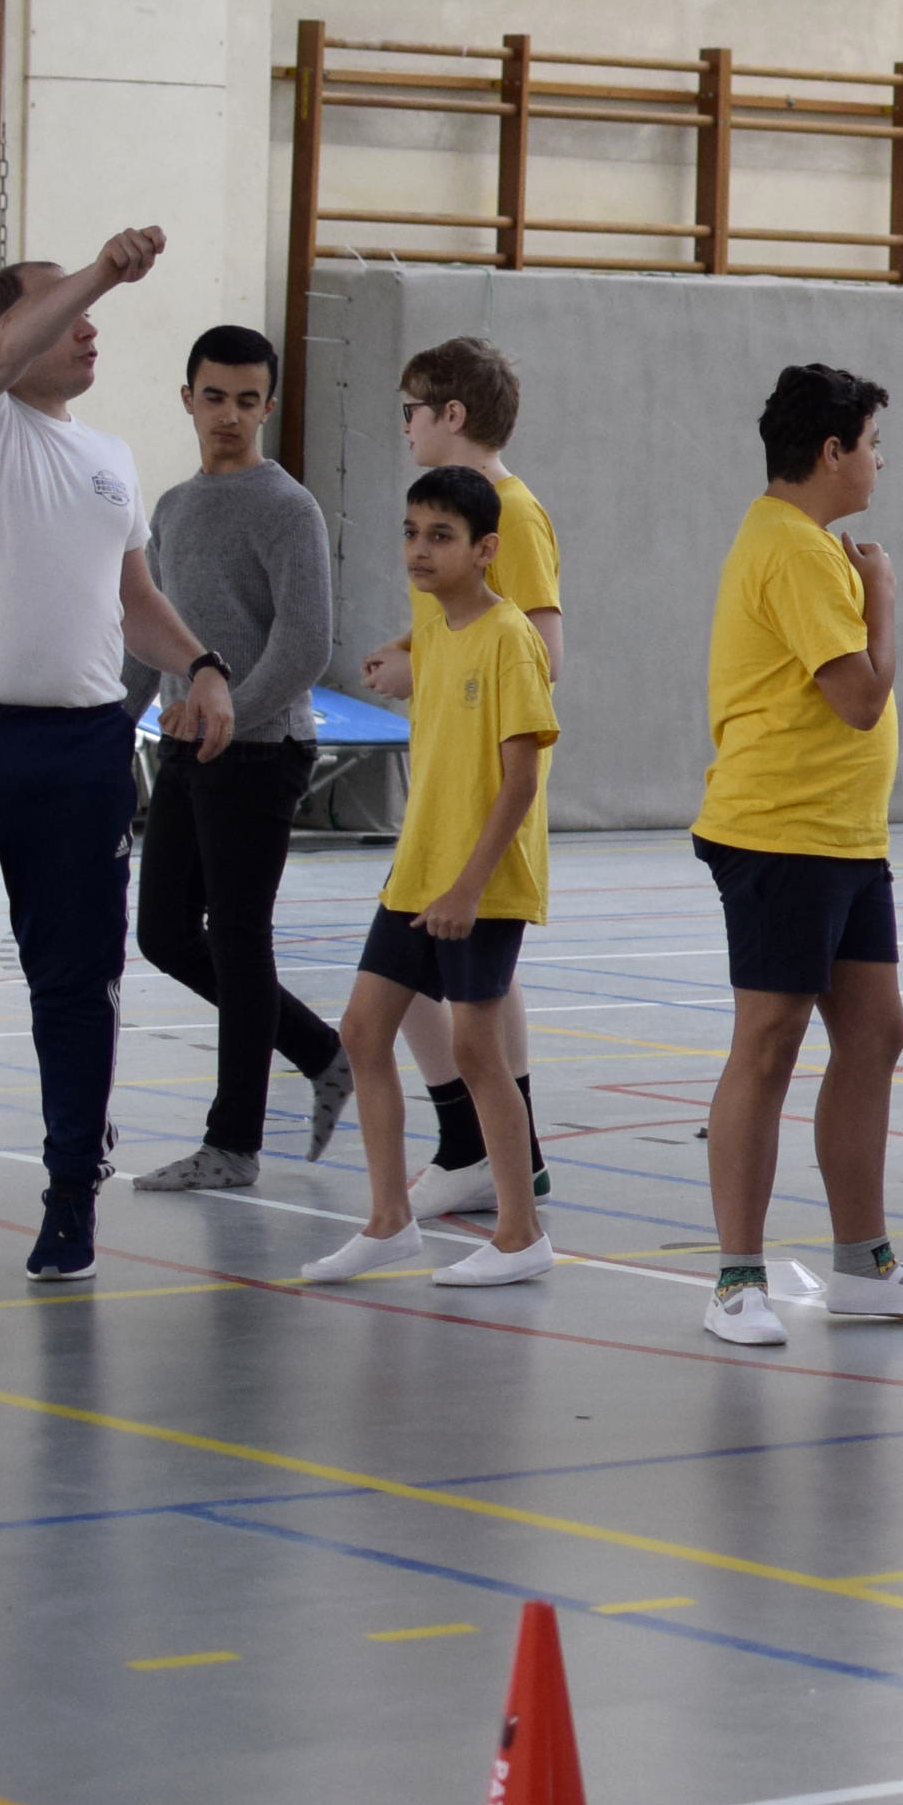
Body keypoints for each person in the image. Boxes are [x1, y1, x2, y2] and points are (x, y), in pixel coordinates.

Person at [0, 227, 238, 1283]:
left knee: (76, 983)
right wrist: (104, 268)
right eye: (62, 312)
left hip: (77, 751)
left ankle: (71, 1193)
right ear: (7, 335)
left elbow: (132, 603)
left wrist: (200, 664)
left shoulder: (110, 457)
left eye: (91, 309)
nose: (88, 325)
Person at [690, 362, 903, 1343]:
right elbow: (858, 699)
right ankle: (737, 1280)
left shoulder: (797, 542)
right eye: (872, 445)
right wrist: (883, 596)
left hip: (844, 838)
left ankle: (862, 1264)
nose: (878, 463)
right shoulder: (799, 551)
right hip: (781, 832)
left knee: (875, 1031)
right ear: (831, 451)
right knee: (766, 1045)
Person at [300, 468, 557, 1287]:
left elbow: (519, 781)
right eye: (411, 532)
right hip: (417, 873)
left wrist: (468, 886)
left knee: (479, 1047)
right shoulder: (436, 634)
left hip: (478, 881)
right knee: (363, 1031)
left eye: (440, 536)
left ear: (485, 550)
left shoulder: (508, 636)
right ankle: (388, 1222)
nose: (419, 549)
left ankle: (520, 1234)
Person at [127, 324, 344, 1193]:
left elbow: (305, 646)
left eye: (247, 400)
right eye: (213, 397)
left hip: (263, 752)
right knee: (164, 935)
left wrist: (228, 715)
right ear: (188, 399)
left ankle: (234, 1145)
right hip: (192, 748)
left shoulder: (287, 507)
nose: (229, 415)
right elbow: (157, 635)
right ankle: (320, 1049)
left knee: (239, 936)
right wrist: (114, 723)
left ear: (268, 405)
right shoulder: (174, 509)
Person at [352, 339, 561, 1222]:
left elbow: (539, 650)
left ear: (452, 416)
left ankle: (488, 1153)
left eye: (411, 409)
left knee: (469, 995)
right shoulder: (450, 519)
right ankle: (490, 1152)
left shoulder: (513, 513)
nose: (403, 425)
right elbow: (454, 626)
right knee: (461, 994)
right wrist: (408, 655)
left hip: (484, 794)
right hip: (439, 795)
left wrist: (431, 672)